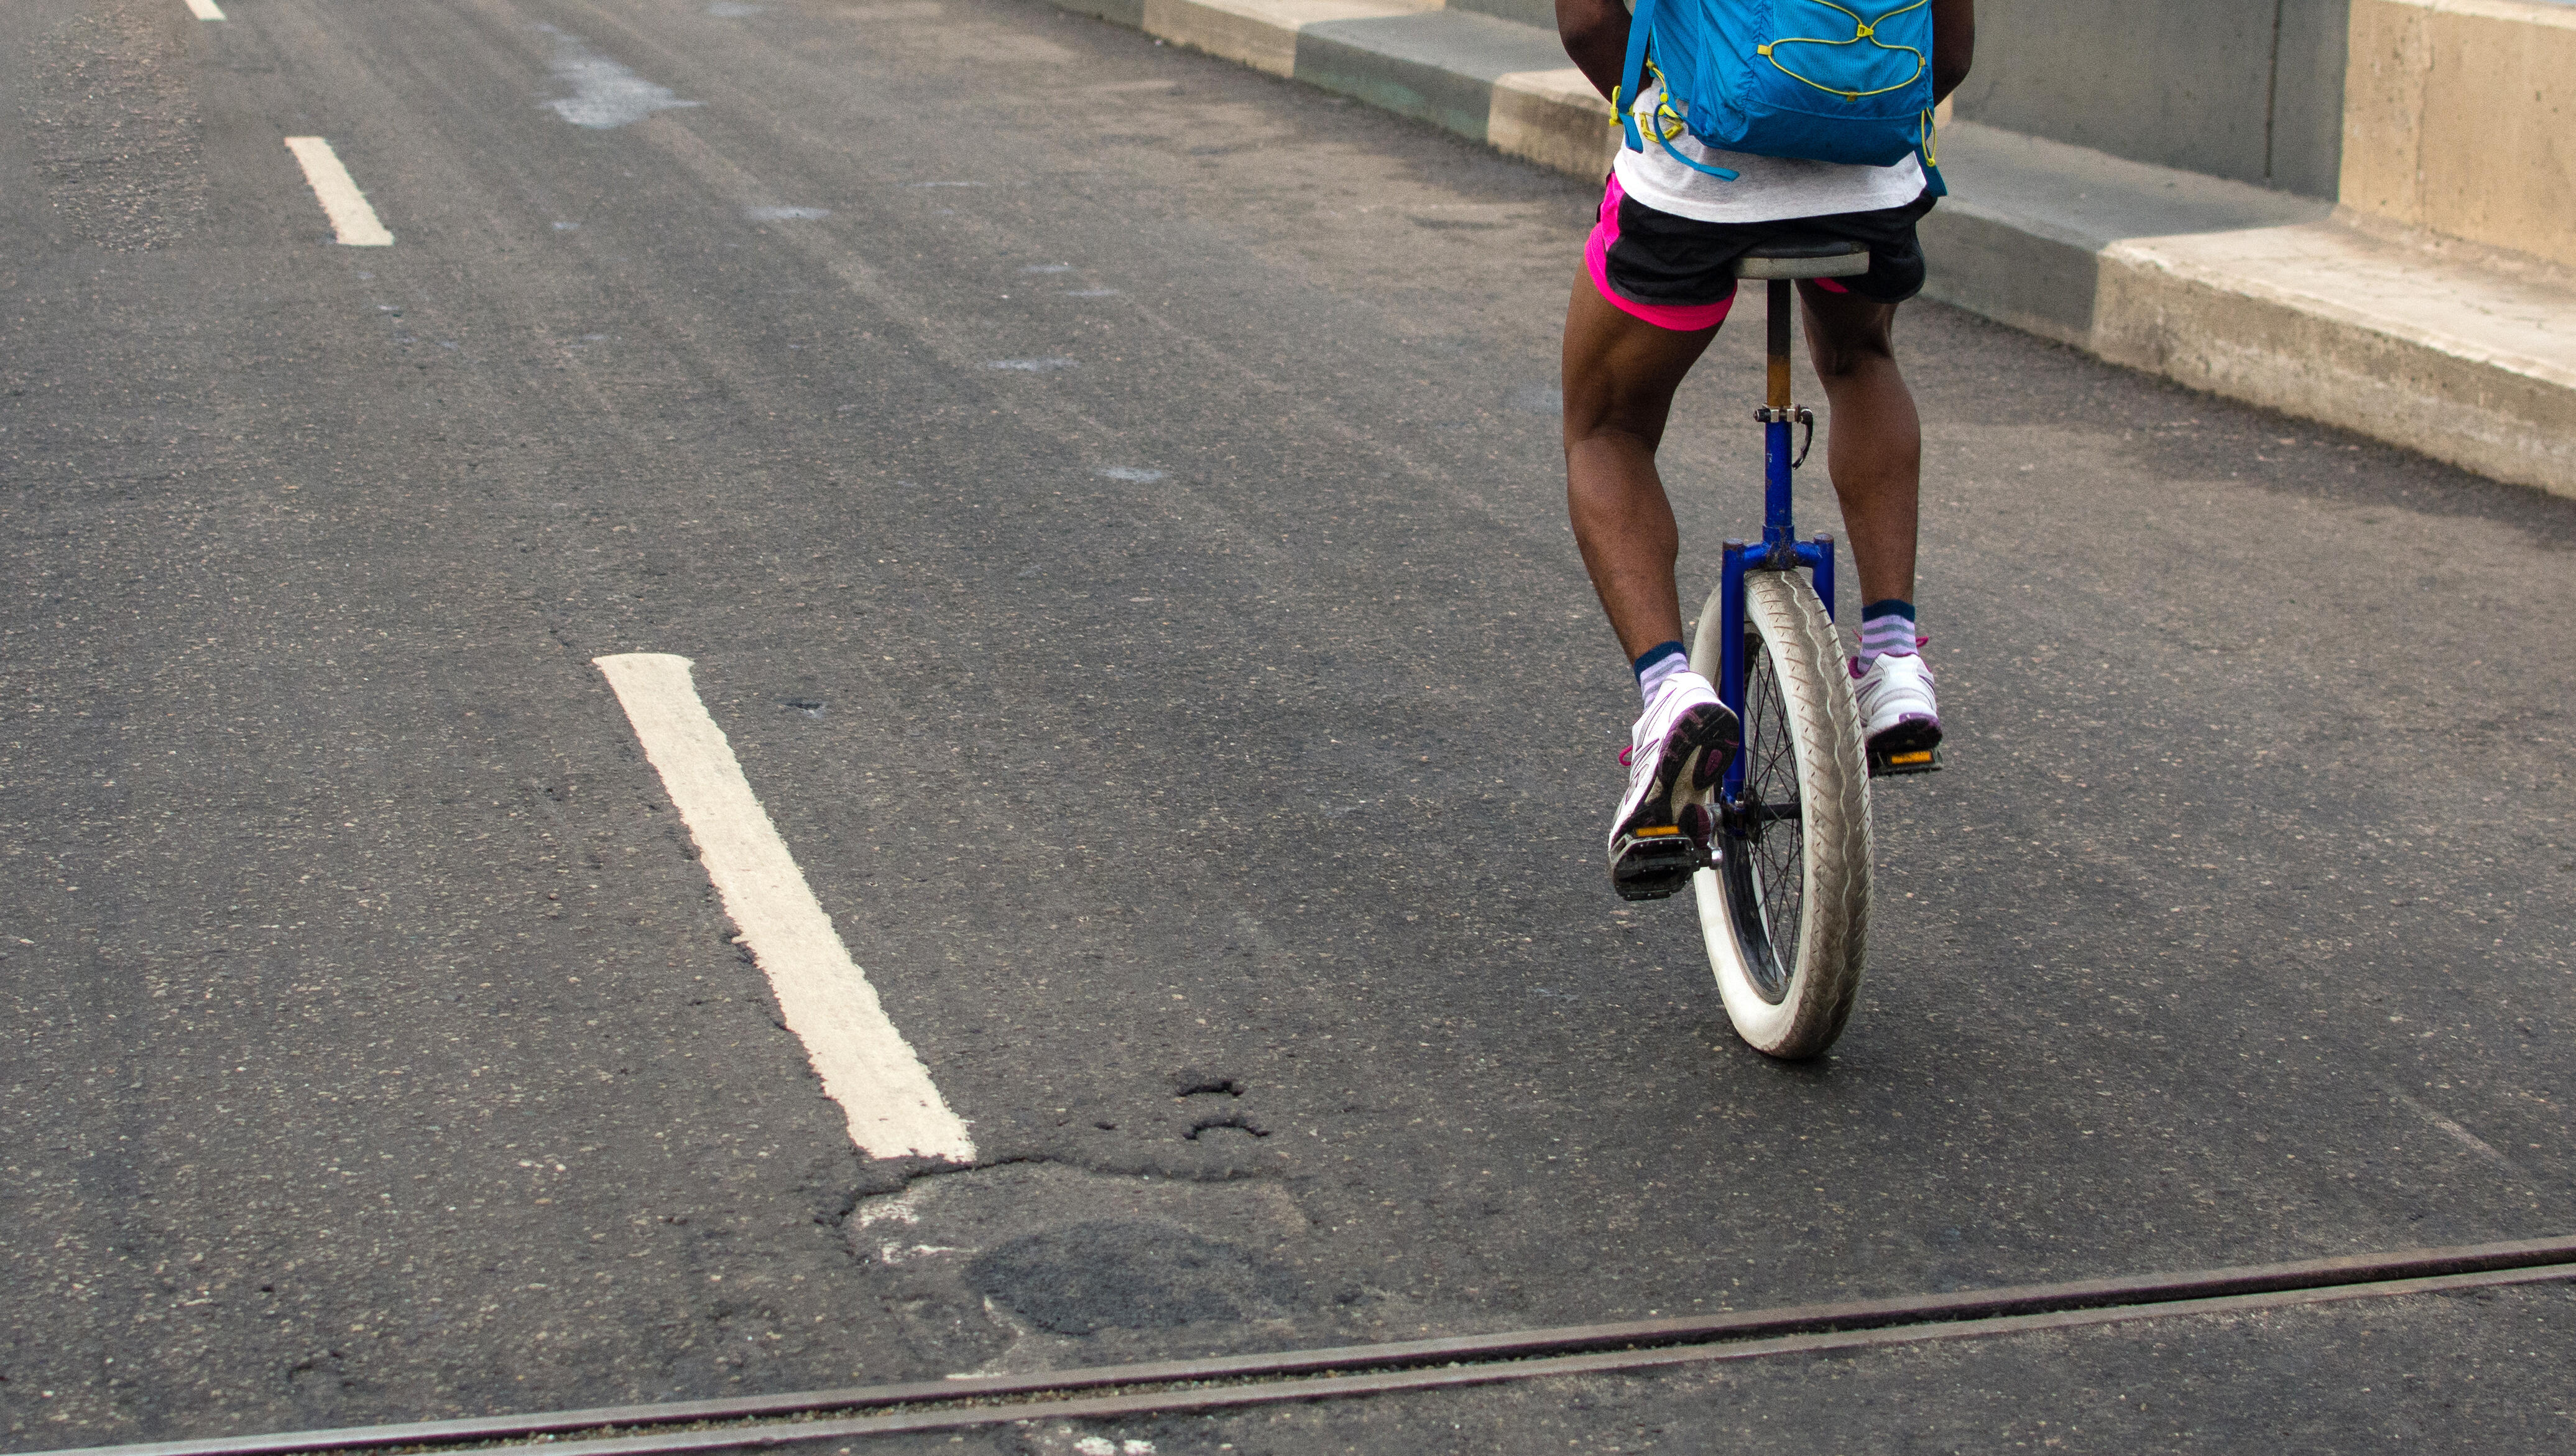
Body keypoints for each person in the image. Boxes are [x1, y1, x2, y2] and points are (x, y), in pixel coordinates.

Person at [1556, 0, 1974, 899]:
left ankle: (1673, 693)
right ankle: (1894, 655)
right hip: (1869, 184)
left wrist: (1670, 118)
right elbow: (1953, 49)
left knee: (1607, 427)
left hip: (1699, 185)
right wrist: (1846, 125)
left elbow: (1590, 23)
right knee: (1863, 357)